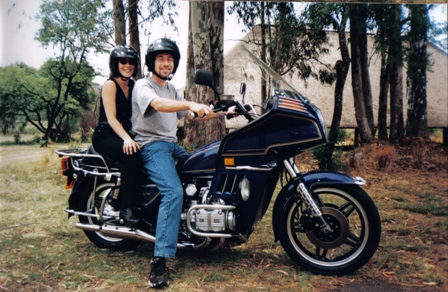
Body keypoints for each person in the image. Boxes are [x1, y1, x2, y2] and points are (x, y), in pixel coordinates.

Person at [131, 38, 214, 288]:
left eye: (170, 59)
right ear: (151, 62)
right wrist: (190, 102)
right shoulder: (143, 86)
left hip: (171, 145)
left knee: (203, 171)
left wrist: (218, 112)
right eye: (161, 58)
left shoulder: (171, 89)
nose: (166, 63)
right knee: (173, 190)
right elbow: (158, 105)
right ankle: (159, 260)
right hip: (151, 146)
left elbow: (188, 116)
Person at [92, 45, 141, 226]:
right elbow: (111, 118)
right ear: (116, 64)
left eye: (131, 62)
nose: (127, 65)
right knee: (131, 153)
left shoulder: (134, 85)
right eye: (123, 62)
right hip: (105, 134)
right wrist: (127, 139)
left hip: (123, 133)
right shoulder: (110, 85)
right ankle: (126, 208)